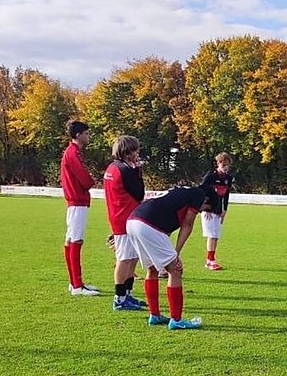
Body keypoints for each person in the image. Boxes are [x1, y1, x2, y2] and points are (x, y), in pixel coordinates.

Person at [126, 184, 213, 329]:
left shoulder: (180, 193)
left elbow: (164, 225)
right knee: (176, 270)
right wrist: (176, 252)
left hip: (133, 221)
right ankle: (177, 320)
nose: (201, 210)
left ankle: (154, 315)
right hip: (147, 225)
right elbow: (188, 224)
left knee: (152, 269)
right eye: (204, 208)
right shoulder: (198, 195)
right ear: (206, 200)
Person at [103, 135, 147, 311]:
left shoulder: (112, 167)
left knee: (132, 257)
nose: (137, 153)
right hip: (125, 217)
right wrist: (138, 172)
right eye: (135, 150)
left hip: (119, 215)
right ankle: (120, 297)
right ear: (127, 151)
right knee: (124, 259)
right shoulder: (126, 170)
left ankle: (127, 294)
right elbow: (139, 193)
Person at [60, 120, 99, 296]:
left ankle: (74, 282)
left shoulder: (71, 152)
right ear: (78, 135)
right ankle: (77, 285)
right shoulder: (73, 153)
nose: (88, 136)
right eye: (86, 133)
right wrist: (91, 182)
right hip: (77, 201)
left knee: (71, 240)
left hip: (75, 201)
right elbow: (84, 177)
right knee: (76, 241)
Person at [200, 152, 234, 270]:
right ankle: (210, 260)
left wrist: (225, 210)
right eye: (223, 165)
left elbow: (226, 196)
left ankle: (211, 259)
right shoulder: (211, 176)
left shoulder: (228, 179)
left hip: (219, 209)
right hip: (209, 210)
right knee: (211, 235)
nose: (226, 168)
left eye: (227, 166)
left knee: (216, 235)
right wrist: (206, 207)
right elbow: (201, 190)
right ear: (218, 164)